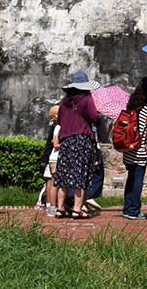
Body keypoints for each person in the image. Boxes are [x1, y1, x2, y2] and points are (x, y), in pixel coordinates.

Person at [54, 71, 101, 219]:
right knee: (79, 176)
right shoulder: (87, 99)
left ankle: (60, 208)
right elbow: (95, 118)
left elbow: (60, 121)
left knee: (63, 176)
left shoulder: (63, 102)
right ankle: (76, 208)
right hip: (81, 140)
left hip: (66, 141)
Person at [121, 77, 147, 220]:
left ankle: (127, 208)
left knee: (130, 179)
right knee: (138, 180)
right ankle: (134, 210)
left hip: (128, 149)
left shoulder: (131, 105)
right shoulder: (146, 108)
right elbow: (145, 130)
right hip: (139, 149)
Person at [43, 105, 61, 217]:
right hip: (52, 156)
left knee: (51, 180)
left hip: (50, 156)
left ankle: (50, 204)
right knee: (51, 180)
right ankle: (50, 204)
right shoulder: (57, 127)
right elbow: (53, 142)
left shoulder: (54, 127)